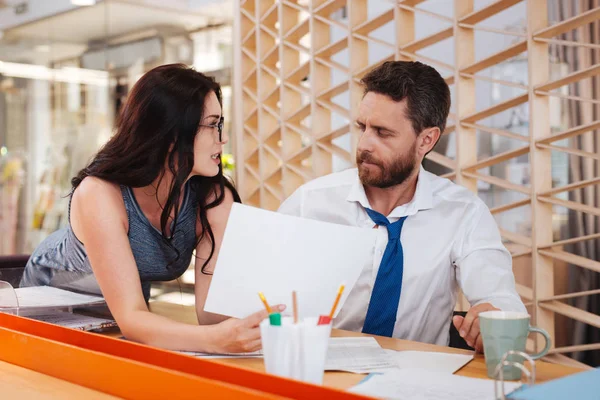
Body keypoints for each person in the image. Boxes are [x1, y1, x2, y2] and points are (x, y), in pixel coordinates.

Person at [21, 64, 283, 353]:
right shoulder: (100, 193)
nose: (222, 139)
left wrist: (264, 313)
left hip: (118, 311)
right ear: (170, 133)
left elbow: (211, 317)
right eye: (212, 124)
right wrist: (216, 339)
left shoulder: (213, 197)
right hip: (51, 298)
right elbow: (134, 320)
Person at [278, 61, 526, 351]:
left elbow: (502, 298)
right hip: (320, 374)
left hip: (417, 382)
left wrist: (492, 316)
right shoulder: (310, 203)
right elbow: (260, 296)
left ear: (426, 140)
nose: (364, 144)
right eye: (363, 127)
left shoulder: (463, 213)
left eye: (383, 133)